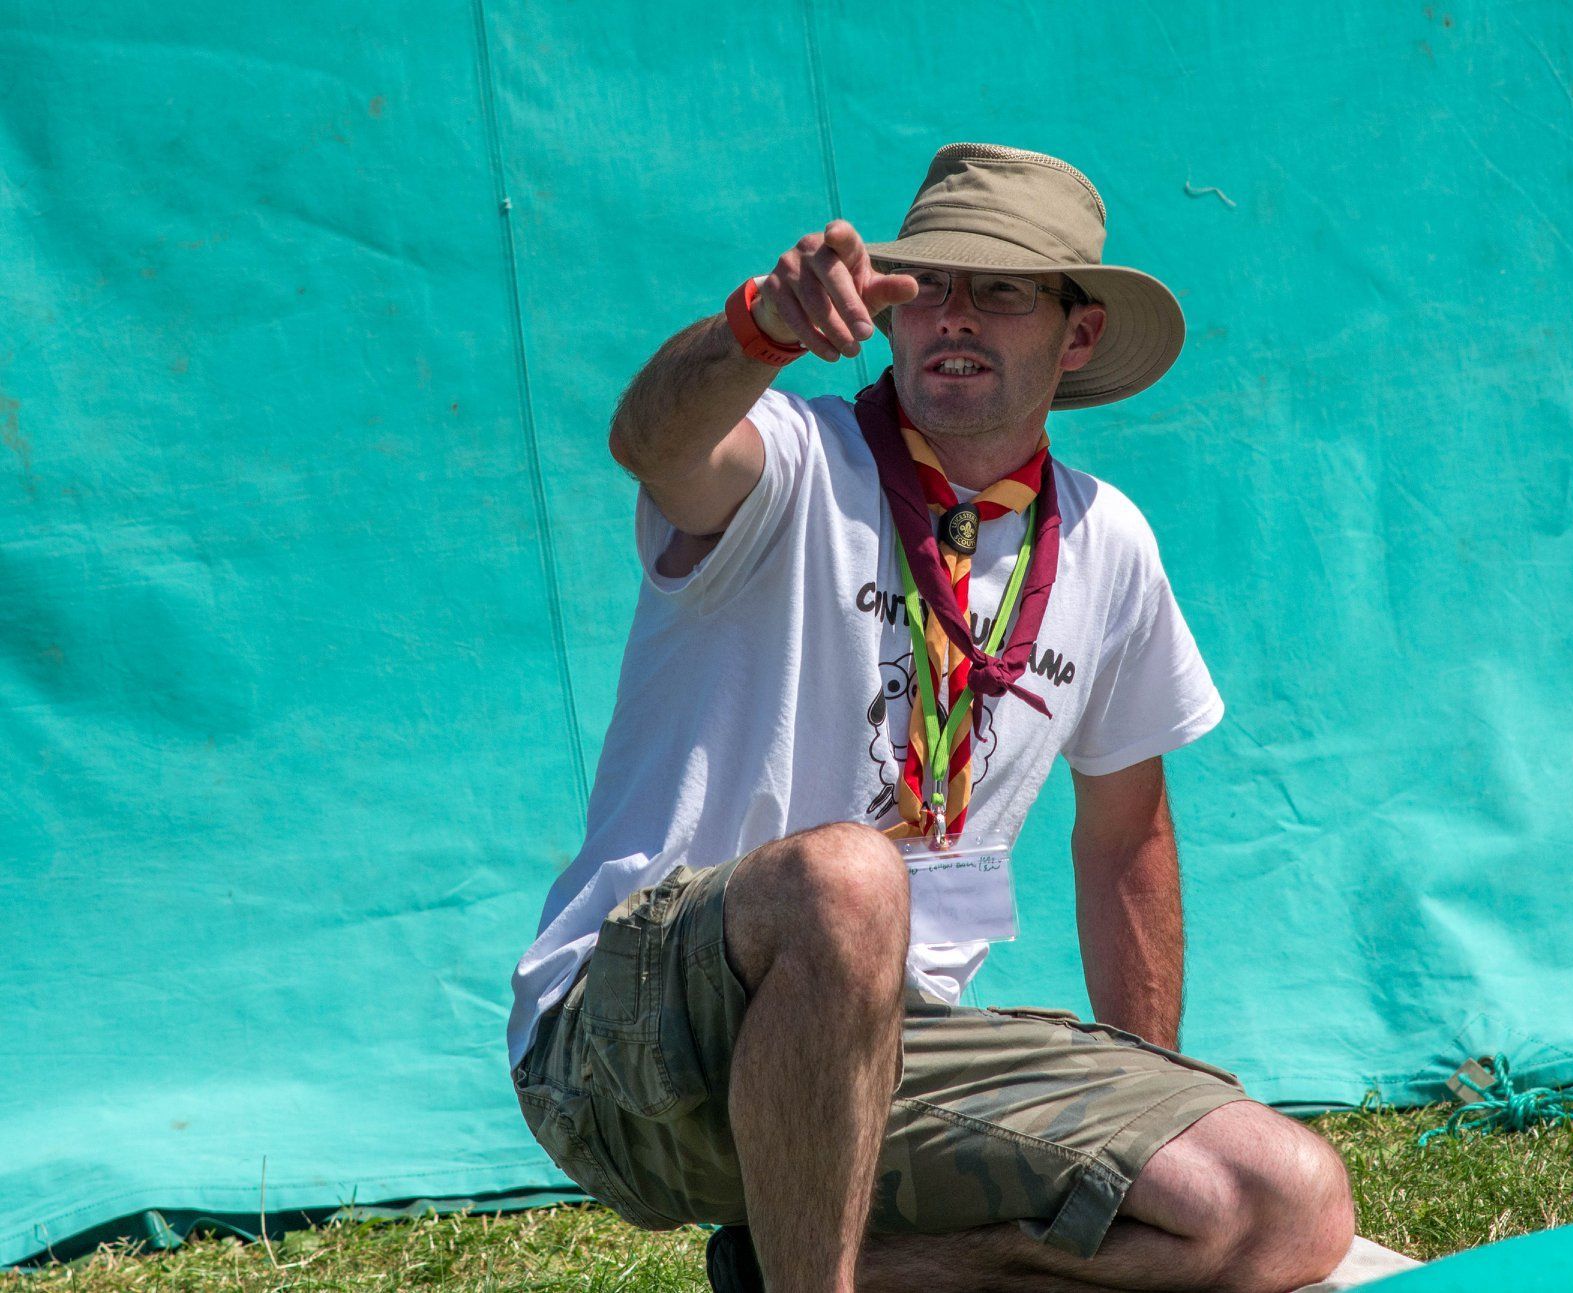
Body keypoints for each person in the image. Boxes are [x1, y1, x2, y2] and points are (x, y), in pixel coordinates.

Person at [508, 143, 1355, 1293]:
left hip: (887, 1059)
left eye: (1002, 290)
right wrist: (756, 331)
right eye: (929, 287)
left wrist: (1146, 1116)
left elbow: (1126, 842)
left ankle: (816, 1270)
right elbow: (652, 445)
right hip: (627, 1042)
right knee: (852, 881)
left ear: (1079, 333)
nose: (955, 316)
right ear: (889, 318)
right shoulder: (794, 461)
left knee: (1281, 1205)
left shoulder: (1110, 544)